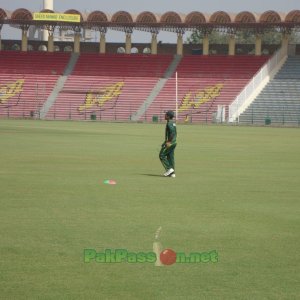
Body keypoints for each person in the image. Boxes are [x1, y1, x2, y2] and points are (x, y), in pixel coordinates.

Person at [159, 110, 177, 178]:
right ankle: (172, 173)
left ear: (168, 116)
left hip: (171, 143)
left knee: (161, 155)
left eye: (166, 115)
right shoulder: (173, 122)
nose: (165, 116)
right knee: (170, 157)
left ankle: (169, 169)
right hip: (174, 142)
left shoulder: (169, 123)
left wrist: (168, 142)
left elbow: (172, 133)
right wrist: (165, 142)